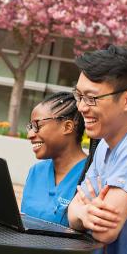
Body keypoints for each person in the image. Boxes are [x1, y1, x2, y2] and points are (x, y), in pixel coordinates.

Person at [67, 45, 127, 254]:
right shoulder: (105, 144)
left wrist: (85, 210)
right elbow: (72, 214)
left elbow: (104, 231)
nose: (81, 107)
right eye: (79, 95)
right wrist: (83, 213)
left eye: (91, 98)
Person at [21, 91, 87, 227]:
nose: (30, 134)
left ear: (67, 127)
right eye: (30, 127)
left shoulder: (90, 175)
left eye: (37, 125)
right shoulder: (36, 171)